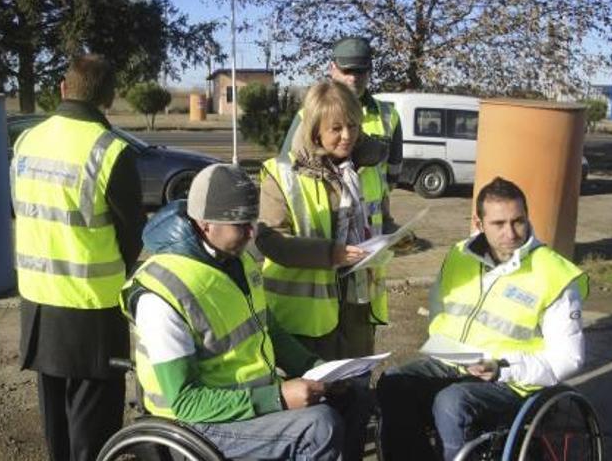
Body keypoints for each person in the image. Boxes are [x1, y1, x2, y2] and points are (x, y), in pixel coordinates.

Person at [122, 164, 372, 461]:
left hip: (248, 404)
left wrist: (317, 368)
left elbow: (271, 331)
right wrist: (278, 398)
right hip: (196, 425)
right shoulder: (163, 294)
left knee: (354, 395)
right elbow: (186, 403)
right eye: (241, 224)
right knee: (318, 427)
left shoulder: (236, 260)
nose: (252, 233)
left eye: (253, 222)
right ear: (205, 224)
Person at [377, 177, 589, 461]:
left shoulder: (553, 274)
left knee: (451, 402)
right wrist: (449, 349)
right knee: (393, 382)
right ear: (479, 223)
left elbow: (569, 357)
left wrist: (502, 368)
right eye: (498, 224)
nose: (511, 233)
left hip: (513, 380)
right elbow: (440, 308)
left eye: (518, 221)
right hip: (456, 362)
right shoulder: (459, 255)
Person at [11, 54, 146, 461]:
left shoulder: (26, 141)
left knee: (56, 422)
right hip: (92, 307)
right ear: (108, 98)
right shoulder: (111, 150)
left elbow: (20, 208)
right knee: (94, 428)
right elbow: (132, 234)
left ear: (63, 89)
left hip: (37, 302)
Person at [257, 80, 392, 360]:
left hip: (358, 309)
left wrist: (397, 238)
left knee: (356, 388)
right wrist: (332, 254)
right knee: (318, 395)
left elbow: (382, 220)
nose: (347, 136)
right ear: (315, 130)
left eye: (353, 125)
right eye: (336, 128)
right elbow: (271, 240)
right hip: (307, 321)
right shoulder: (281, 174)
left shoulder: (369, 170)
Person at [282, 36, 403, 193]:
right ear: (332, 68)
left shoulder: (389, 116)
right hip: (325, 213)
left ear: (369, 71)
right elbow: (286, 171)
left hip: (373, 215)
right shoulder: (308, 115)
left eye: (360, 71)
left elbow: (393, 176)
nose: (353, 78)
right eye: (346, 70)